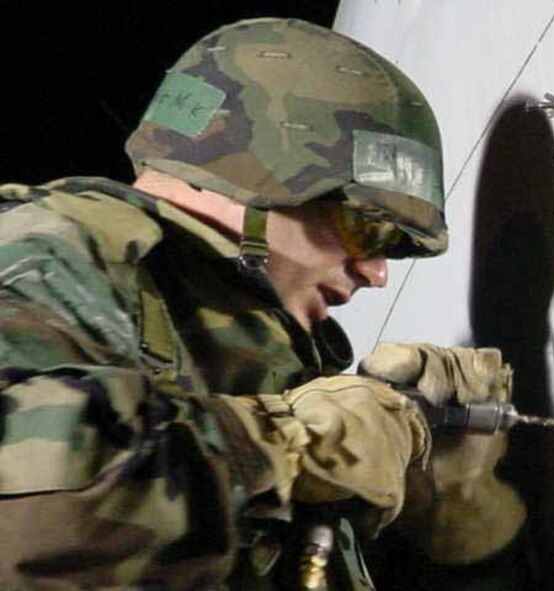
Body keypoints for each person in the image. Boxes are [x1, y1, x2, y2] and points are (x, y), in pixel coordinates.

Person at [0, 17, 525, 589]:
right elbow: (27, 522)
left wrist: (453, 515)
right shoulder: (41, 257)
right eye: (367, 228)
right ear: (256, 180)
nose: (375, 274)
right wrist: (301, 444)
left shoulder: (240, 350)